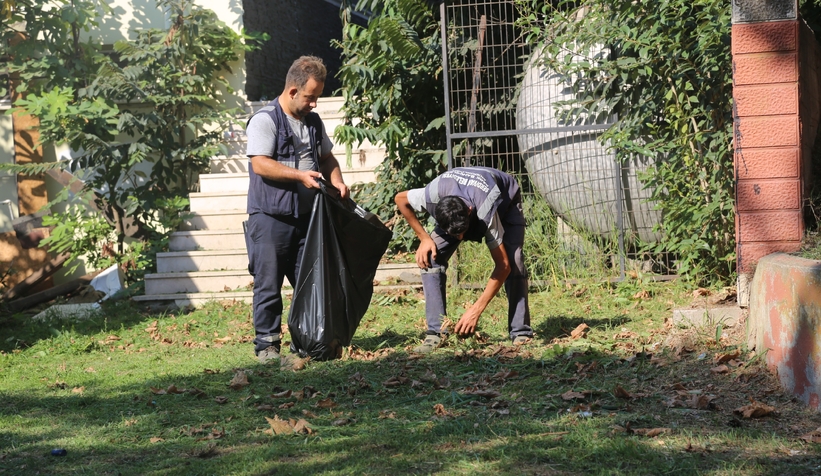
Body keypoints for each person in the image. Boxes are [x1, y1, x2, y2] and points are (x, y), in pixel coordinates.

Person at [244, 56, 349, 364]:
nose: (314, 104)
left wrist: (338, 181)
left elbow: (327, 159)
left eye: (316, 97)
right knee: (268, 283)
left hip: (308, 218)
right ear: (292, 91)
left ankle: (306, 343)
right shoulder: (265, 120)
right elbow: (260, 164)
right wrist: (301, 176)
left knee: (310, 283)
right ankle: (267, 347)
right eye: (310, 97)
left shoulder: (313, 122)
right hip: (270, 216)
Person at [394, 166, 534, 353]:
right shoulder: (432, 193)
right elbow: (400, 199)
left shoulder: (485, 209)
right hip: (458, 199)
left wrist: (475, 311)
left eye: (461, 233)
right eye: (454, 234)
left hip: (504, 200)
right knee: (430, 256)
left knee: (514, 261)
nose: (460, 239)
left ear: (469, 211)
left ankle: (520, 332)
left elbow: (503, 266)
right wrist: (424, 238)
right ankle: (436, 333)